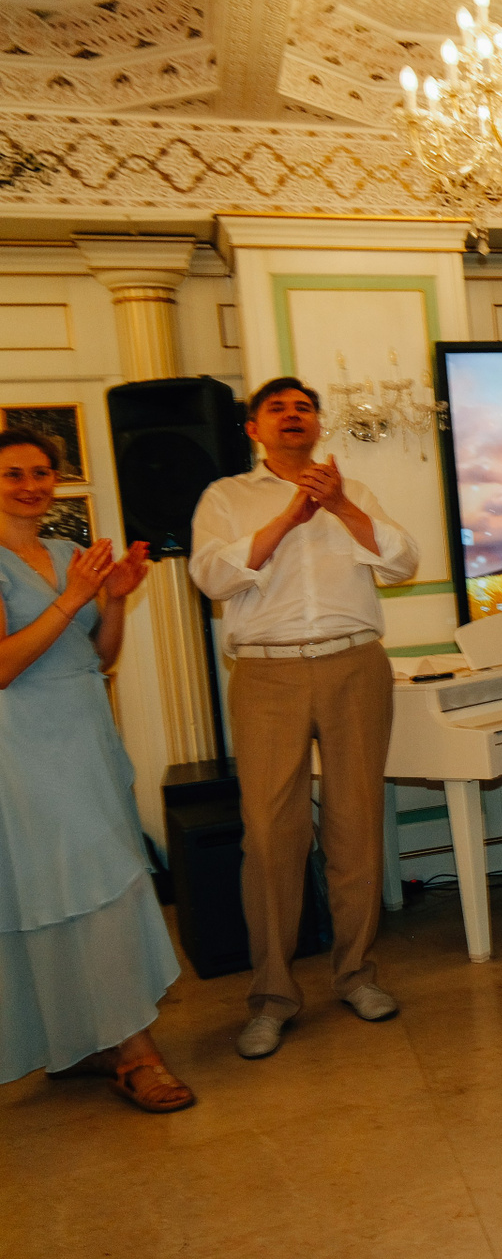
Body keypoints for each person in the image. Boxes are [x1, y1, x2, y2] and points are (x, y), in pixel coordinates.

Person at [189, 378, 419, 1060]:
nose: (294, 416)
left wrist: (340, 506)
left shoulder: (354, 492)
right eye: (278, 408)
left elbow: (403, 562)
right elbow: (212, 577)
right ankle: (271, 997)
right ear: (254, 428)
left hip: (354, 665)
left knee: (356, 825)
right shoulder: (225, 497)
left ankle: (356, 975)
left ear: (318, 424)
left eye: (304, 408)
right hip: (268, 674)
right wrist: (290, 516)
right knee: (269, 836)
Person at [0, 430, 192, 1110]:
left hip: (86, 734)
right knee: (81, 889)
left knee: (100, 882)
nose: (31, 485)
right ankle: (135, 1052)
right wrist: (72, 597)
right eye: (13, 474)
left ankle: (86, 1041)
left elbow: (99, 657)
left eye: (41, 473)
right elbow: (3, 666)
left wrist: (112, 599)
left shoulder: (64, 554)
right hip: (26, 747)